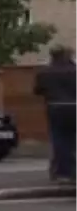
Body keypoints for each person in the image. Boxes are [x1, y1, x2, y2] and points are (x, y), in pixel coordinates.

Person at [33, 45, 77, 184]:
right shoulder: (75, 70)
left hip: (55, 107)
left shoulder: (44, 72)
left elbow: (38, 90)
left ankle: (64, 173)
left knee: (60, 140)